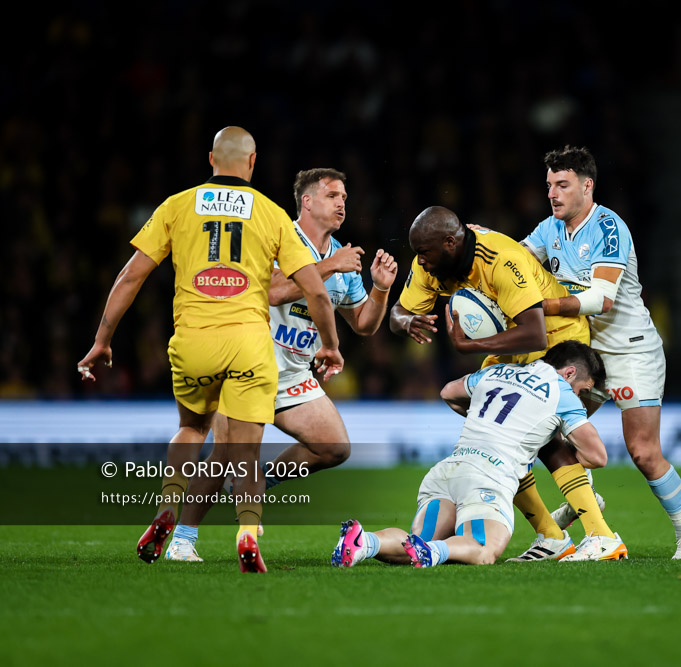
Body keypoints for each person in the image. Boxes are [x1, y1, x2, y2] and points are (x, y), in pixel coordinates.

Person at [76, 127, 343, 573]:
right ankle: (246, 531)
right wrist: (331, 346)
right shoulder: (272, 213)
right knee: (245, 453)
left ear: (211, 159)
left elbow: (130, 276)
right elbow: (315, 291)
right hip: (249, 345)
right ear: (253, 161)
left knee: (192, 430)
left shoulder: (177, 205)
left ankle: (168, 506)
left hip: (193, 341)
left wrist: (102, 340)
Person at [164, 168, 398, 562]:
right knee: (224, 455)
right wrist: (330, 266)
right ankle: (182, 540)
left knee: (334, 447)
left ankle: (260, 479)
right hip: (245, 365)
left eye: (344, 196)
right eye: (332, 195)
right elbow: (272, 291)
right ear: (307, 201)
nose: (342, 202)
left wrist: (381, 287)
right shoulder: (274, 235)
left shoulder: (341, 257)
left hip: (292, 375)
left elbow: (364, 324)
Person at [389, 206, 626, 560]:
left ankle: (599, 533)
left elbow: (535, 333)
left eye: (424, 252)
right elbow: (397, 313)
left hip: (555, 339)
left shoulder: (501, 259)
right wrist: (406, 322)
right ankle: (553, 536)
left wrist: (469, 347)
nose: (419, 261)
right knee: (501, 441)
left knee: (546, 442)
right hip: (510, 340)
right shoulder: (430, 264)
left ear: (450, 243)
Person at [517, 145, 681, 560]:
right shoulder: (550, 228)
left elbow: (601, 299)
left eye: (562, 185)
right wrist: (485, 245)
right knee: (547, 432)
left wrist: (539, 306)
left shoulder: (608, 227)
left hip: (628, 351)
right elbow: (514, 262)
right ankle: (584, 507)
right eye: (549, 185)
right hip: (584, 352)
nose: (552, 194)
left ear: (587, 186)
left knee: (643, 451)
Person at [331, 340, 622, 567]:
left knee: (414, 543)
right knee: (483, 549)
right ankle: (432, 553)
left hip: (448, 470)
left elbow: (448, 391)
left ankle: (365, 542)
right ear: (569, 373)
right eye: (582, 390)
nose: (581, 398)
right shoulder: (561, 392)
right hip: (487, 478)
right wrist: (557, 440)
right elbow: (597, 456)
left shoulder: (498, 370)